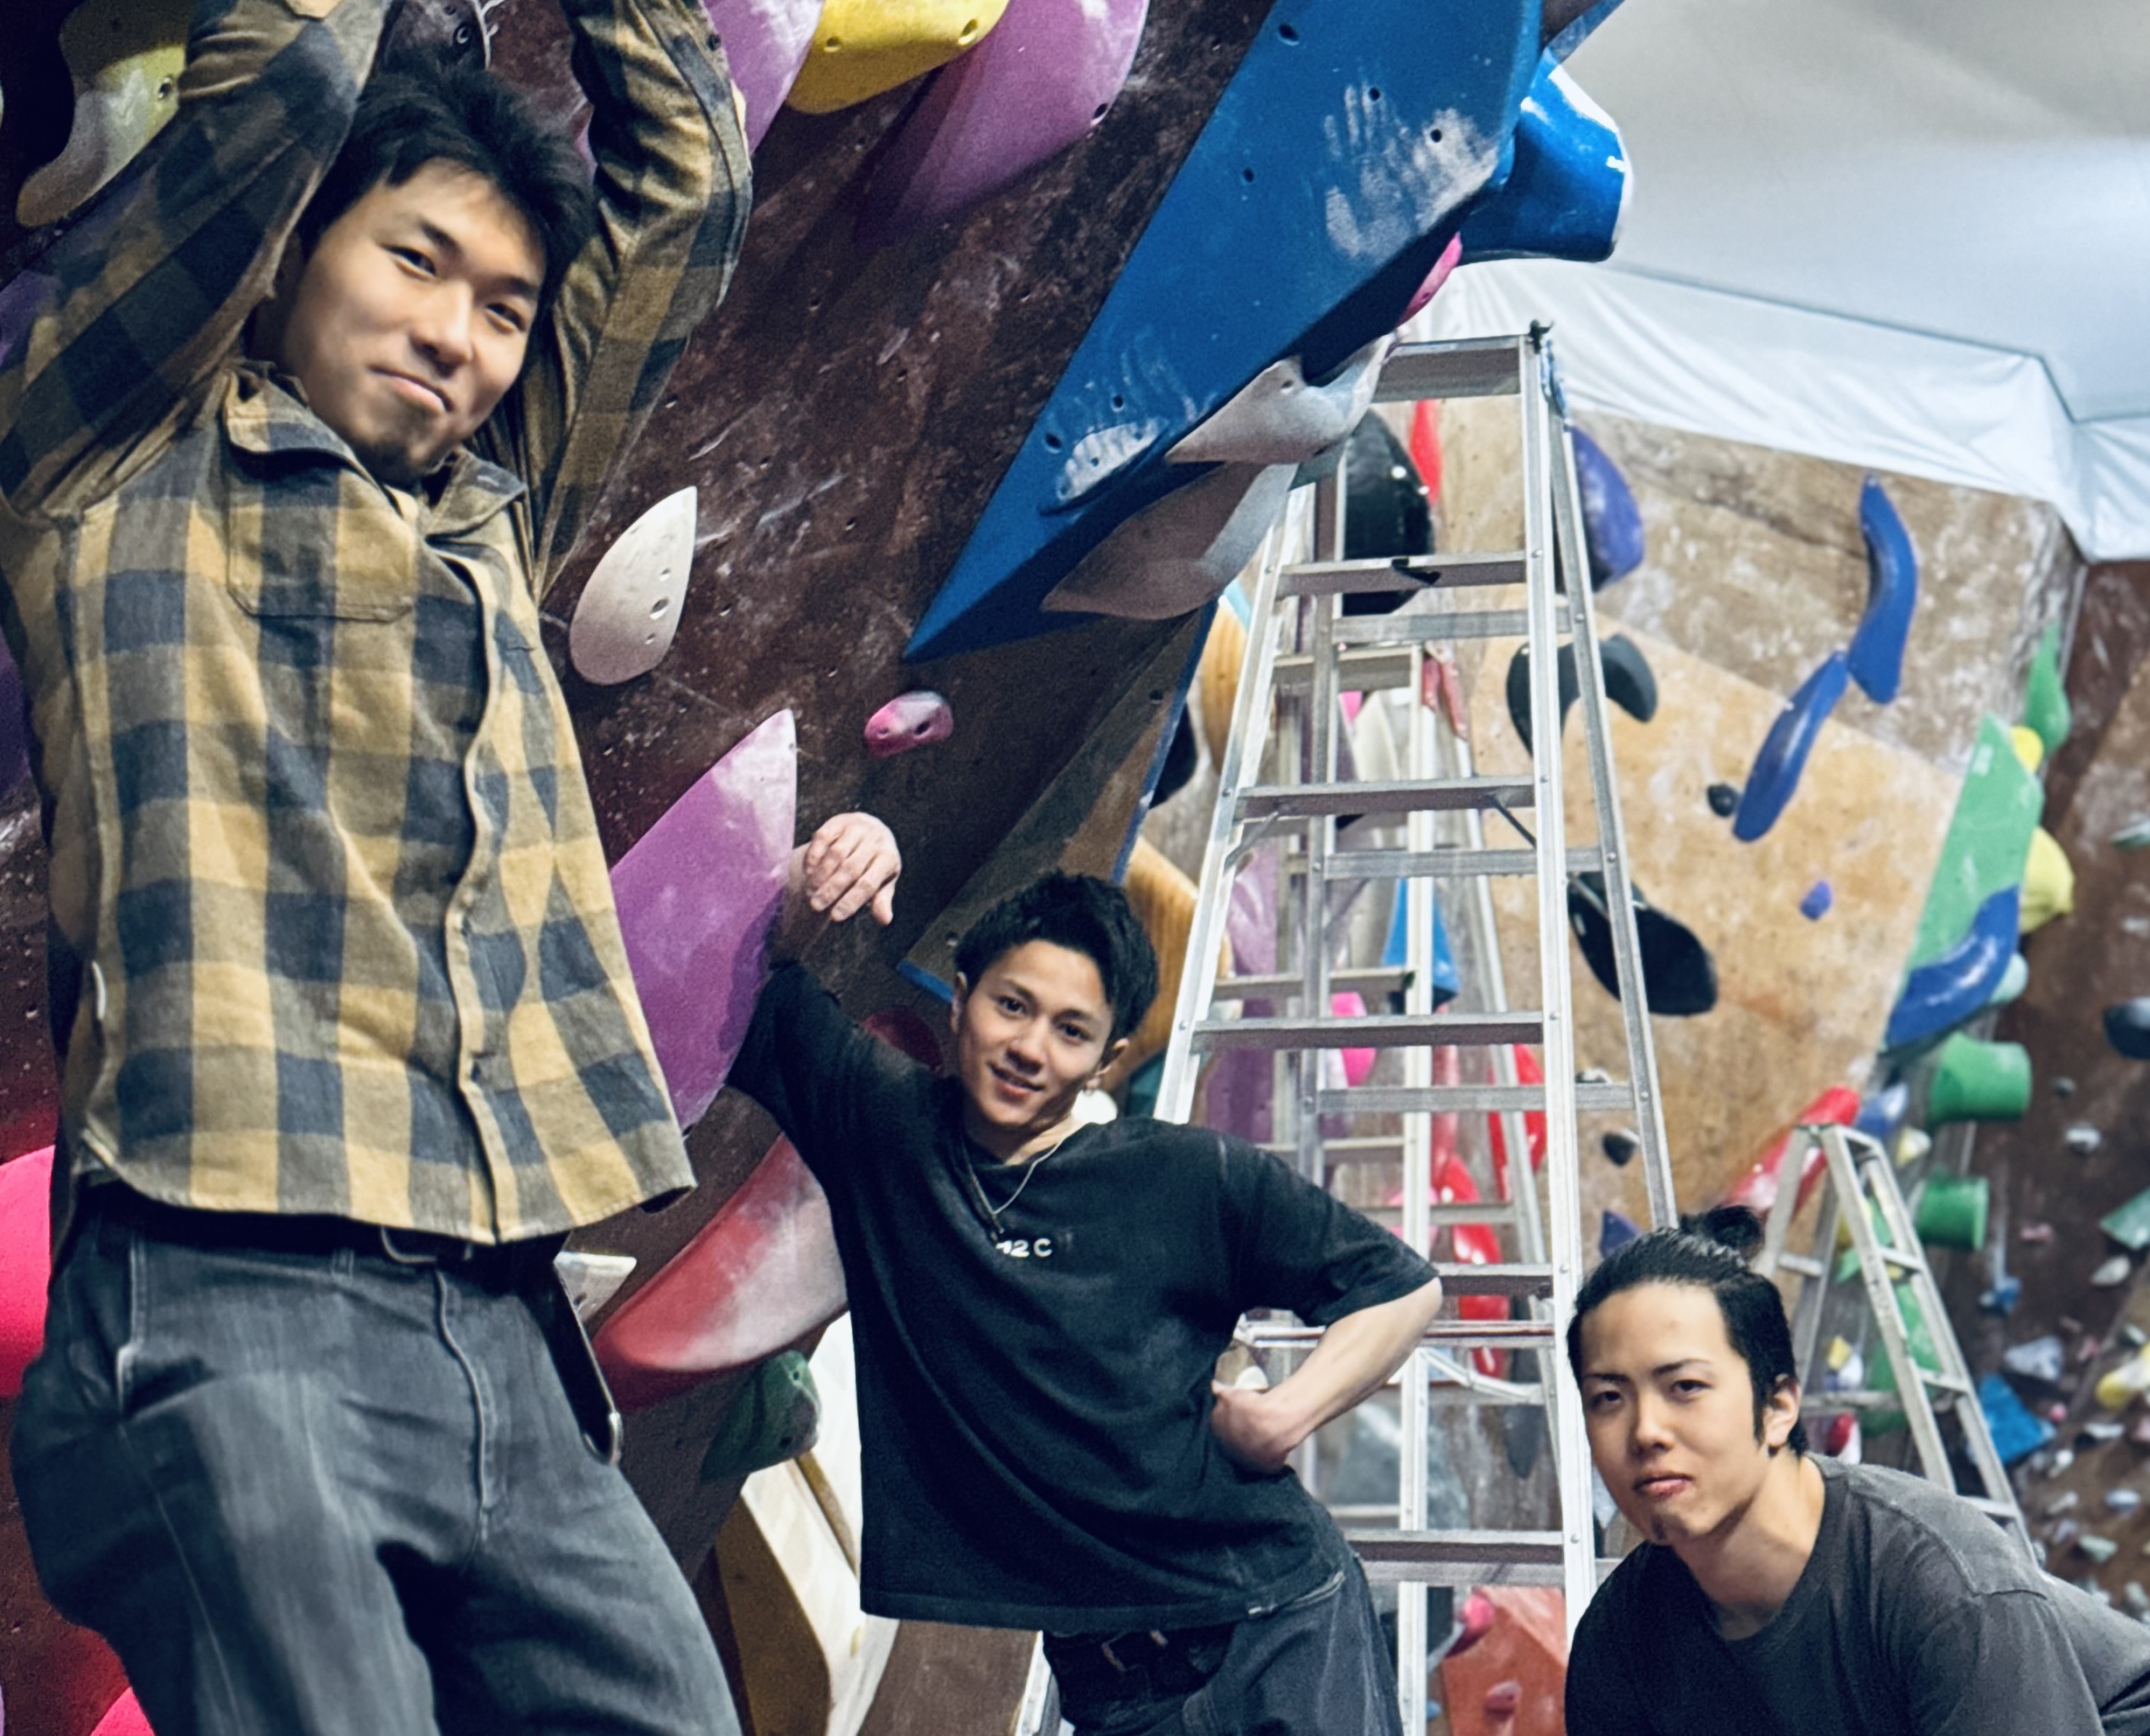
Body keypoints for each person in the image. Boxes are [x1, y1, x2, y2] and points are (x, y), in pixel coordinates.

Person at [3, 2, 752, 1730]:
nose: (455, 336)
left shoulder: (494, 514)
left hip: (502, 1333)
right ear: (288, 253)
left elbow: (691, 191)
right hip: (225, 1292)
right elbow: (287, 82)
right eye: (415, 261)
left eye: (503, 307)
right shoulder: (109, 459)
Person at [730, 825, 1446, 1736]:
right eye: (1012, 1005)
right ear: (962, 999)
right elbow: (753, 978)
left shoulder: (1185, 1177)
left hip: (1277, 1628)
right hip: (1112, 1690)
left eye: (1071, 1031)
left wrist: (1286, 1412)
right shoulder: (885, 1131)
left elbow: (1399, 1286)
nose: (1030, 1047)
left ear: (1108, 1057)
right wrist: (826, 864)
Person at [1565, 1205, 2150, 1736]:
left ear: (1777, 1407)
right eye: (1608, 1398)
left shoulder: (1943, 1591)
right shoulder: (1621, 1645)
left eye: (1685, 1387)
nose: (1646, 1431)